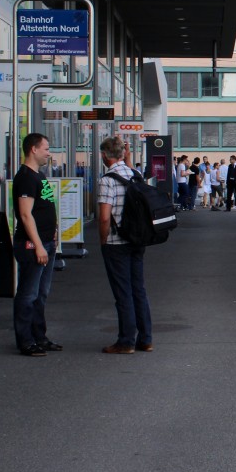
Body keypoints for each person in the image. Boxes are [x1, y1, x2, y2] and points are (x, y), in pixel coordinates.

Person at [97, 136, 154, 354]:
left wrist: (102, 240)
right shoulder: (135, 175)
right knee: (138, 289)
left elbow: (104, 217)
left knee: (123, 292)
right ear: (122, 154)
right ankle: (145, 338)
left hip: (116, 241)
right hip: (137, 240)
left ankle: (126, 341)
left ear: (104, 155)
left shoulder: (107, 180)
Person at [12, 133, 61, 357]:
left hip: (47, 243)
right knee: (28, 294)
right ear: (33, 149)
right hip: (34, 246)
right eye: (46, 148)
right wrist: (38, 245)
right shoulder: (25, 178)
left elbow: (46, 206)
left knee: (41, 293)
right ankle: (26, 340)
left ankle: (39, 337)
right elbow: (25, 215)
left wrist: (54, 233)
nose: (48, 153)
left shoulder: (39, 176)